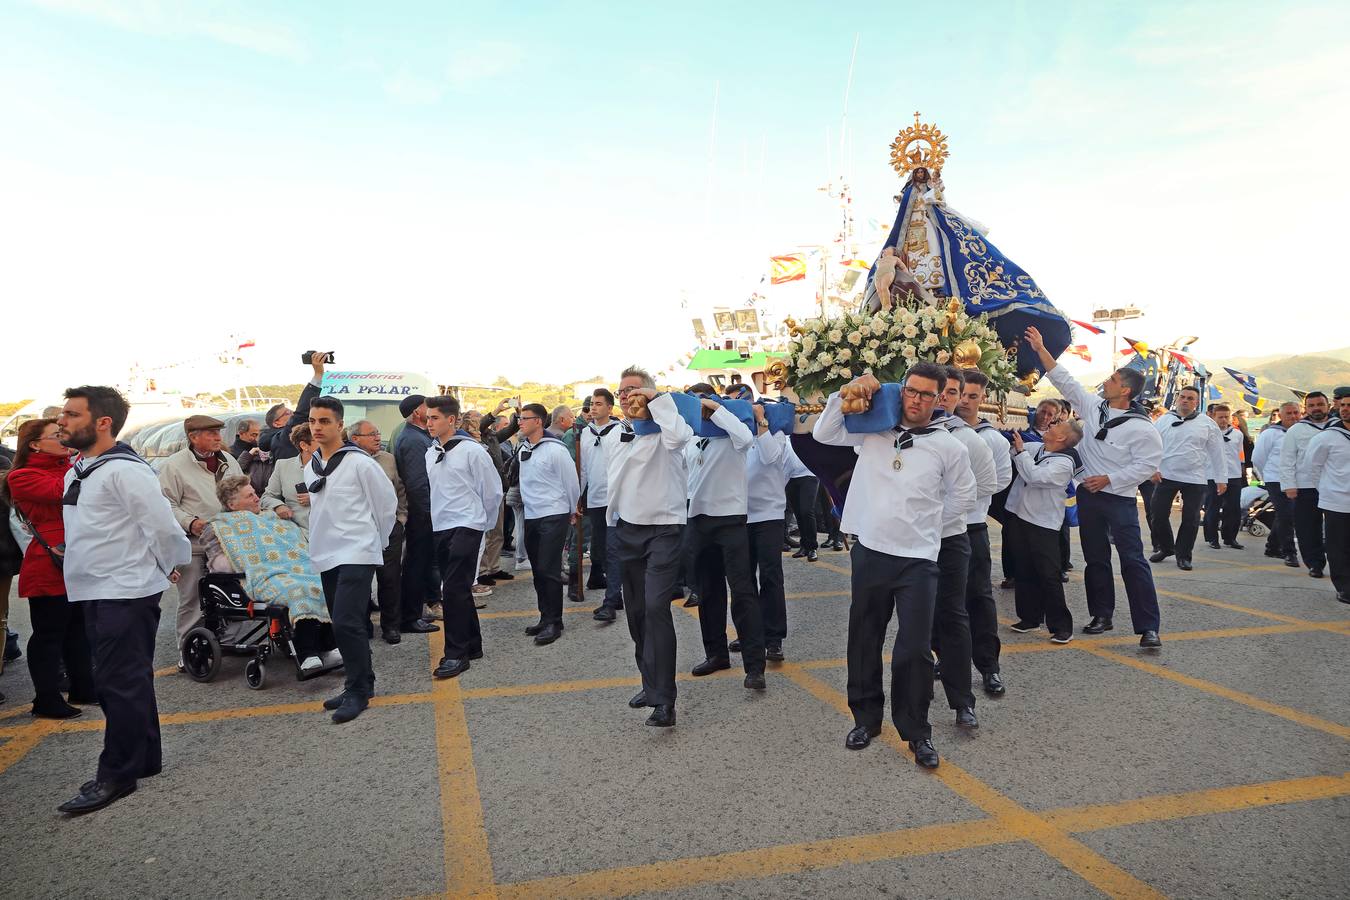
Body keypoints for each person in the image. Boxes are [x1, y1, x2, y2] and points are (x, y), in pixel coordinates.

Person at [814, 365, 976, 769]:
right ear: (901, 391)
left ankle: (917, 731)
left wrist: (927, 528)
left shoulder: (948, 445)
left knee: (915, 649)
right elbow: (823, 433)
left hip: (918, 559)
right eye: (911, 391)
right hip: (870, 551)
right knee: (864, 637)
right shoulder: (872, 431)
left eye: (926, 394)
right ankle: (865, 720)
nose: (916, 400)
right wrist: (846, 391)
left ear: (939, 398)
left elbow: (963, 496)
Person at [55, 385, 191, 815]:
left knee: (118, 682)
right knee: (129, 679)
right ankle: (145, 758)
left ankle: (117, 773)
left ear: (103, 422)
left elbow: (164, 528)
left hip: (125, 590)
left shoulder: (126, 471)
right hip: (95, 587)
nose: (62, 421)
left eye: (72, 415)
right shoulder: (79, 468)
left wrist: (170, 564)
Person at [1025, 326, 1164, 648]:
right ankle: (1101, 614)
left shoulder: (1143, 429)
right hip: (1089, 497)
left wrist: (1110, 479)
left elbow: (1146, 466)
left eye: (1114, 379)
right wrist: (1041, 347)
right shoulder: (1092, 407)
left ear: (1126, 390)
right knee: (1095, 559)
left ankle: (1148, 626)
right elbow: (1064, 379)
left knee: (1133, 560)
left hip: (1119, 500)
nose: (1107, 381)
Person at [610, 366, 696, 727]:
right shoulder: (620, 433)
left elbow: (679, 436)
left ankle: (665, 700)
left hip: (664, 529)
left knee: (656, 606)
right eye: (621, 392)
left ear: (650, 393)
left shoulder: (669, 427)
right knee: (636, 613)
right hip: (627, 529)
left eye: (634, 390)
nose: (627, 396)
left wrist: (658, 401)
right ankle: (651, 683)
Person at [304, 395, 398, 723]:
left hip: (358, 550)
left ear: (340, 425)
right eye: (314, 421)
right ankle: (359, 683)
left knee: (346, 620)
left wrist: (377, 543)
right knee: (345, 622)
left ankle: (358, 691)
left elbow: (385, 505)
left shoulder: (360, 463)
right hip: (327, 552)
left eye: (325, 421)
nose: (317, 427)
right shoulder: (310, 465)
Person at [3, 418, 97, 718]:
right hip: (49, 563)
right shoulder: (23, 475)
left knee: (78, 631)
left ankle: (83, 685)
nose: (64, 438)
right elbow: (64, 490)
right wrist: (84, 457)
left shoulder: (66, 466)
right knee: (49, 634)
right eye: (57, 435)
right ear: (34, 444)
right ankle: (45, 698)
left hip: (76, 555)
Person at [200, 476, 337, 671]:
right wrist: (250, 559)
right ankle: (308, 653)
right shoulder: (218, 526)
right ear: (232, 504)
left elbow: (293, 543)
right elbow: (220, 564)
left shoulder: (270, 516)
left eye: (255, 493)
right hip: (258, 577)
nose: (257, 498)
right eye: (250, 496)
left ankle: (328, 647)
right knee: (297, 590)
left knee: (322, 582)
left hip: (292, 568)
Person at [683, 383, 769, 691]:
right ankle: (716, 653)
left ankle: (755, 666)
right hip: (698, 519)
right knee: (708, 592)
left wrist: (717, 408)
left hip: (731, 519)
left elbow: (746, 437)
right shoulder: (692, 439)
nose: (698, 410)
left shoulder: (732, 433)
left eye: (700, 403)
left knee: (743, 592)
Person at [929, 366, 1001, 729]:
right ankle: (938, 662)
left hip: (966, 529)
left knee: (975, 601)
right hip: (924, 536)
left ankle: (988, 667)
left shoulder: (975, 440)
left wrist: (948, 508)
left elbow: (991, 482)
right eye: (946, 391)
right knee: (929, 608)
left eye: (958, 393)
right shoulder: (911, 432)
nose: (948, 398)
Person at [423, 396, 502, 679]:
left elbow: (492, 492)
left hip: (468, 524)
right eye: (428, 417)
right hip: (442, 526)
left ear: (452, 420)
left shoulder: (473, 451)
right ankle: (473, 644)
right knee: (457, 588)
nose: (429, 422)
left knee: (453, 589)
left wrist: (483, 525)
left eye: (434, 418)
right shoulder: (431, 453)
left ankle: (455, 654)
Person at [157, 414, 244, 662]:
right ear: (193, 438)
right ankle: (188, 651)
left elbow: (242, 493)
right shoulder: (175, 465)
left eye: (218, 432)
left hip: (227, 541)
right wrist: (191, 522)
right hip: (194, 544)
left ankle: (229, 641)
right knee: (193, 599)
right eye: (211, 433)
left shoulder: (228, 460)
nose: (218, 437)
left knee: (232, 592)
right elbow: (166, 504)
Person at [954, 370, 1014, 695]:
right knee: (942, 600)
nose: (965, 401)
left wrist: (959, 493)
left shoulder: (992, 439)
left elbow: (1001, 479)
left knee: (979, 598)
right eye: (961, 394)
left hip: (972, 525)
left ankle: (989, 666)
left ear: (983, 399)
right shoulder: (939, 432)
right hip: (937, 529)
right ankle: (946, 658)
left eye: (972, 396)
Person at [1006, 421, 1085, 641]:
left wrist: (1020, 452)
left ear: (1061, 438)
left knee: (1048, 574)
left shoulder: (1064, 464)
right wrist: (1011, 435)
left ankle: (1061, 626)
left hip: (1043, 523)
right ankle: (1030, 618)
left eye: (1056, 426)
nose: (1050, 426)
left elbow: (1035, 477)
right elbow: (1014, 447)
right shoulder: (1038, 448)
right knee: (1023, 568)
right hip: (1020, 515)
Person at [517, 403, 580, 646]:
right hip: (532, 514)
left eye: (525, 418)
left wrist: (573, 508)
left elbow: (570, 481)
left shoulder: (556, 449)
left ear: (538, 422)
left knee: (548, 569)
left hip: (553, 513)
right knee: (537, 570)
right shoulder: (524, 447)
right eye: (519, 418)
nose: (520, 422)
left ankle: (555, 621)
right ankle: (545, 617)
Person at [1148, 386, 1226, 572]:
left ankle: (1184, 556)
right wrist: (1153, 469)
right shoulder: (1163, 421)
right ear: (1177, 399)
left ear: (1196, 402)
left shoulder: (1207, 423)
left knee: (1190, 519)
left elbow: (1218, 452)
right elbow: (1151, 446)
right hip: (1166, 475)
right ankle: (1167, 548)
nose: (1185, 400)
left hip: (1196, 478)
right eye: (1182, 397)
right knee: (1157, 515)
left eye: (1190, 398)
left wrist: (1221, 478)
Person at [348, 419, 407, 643]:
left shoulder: (388, 459)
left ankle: (391, 626)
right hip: (360, 530)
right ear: (355, 439)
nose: (377, 438)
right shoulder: (346, 461)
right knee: (361, 579)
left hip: (390, 528)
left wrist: (401, 518)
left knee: (390, 578)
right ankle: (363, 625)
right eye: (371, 434)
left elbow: (399, 489)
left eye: (378, 433)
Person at [741, 401, 787, 660]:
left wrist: (762, 421)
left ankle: (773, 638)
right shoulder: (735, 435)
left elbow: (770, 456)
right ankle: (749, 633)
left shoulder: (775, 434)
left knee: (770, 577)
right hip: (740, 514)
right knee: (743, 579)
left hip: (769, 514)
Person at [392, 394, 440, 635]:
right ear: (415, 413)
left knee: (421, 564)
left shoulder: (420, 436)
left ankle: (415, 612)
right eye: (425, 407)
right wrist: (428, 513)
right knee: (415, 564)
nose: (429, 410)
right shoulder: (412, 439)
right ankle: (410, 617)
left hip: (424, 511)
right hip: (421, 513)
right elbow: (417, 482)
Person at [581, 388, 628, 622]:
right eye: (592, 404)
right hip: (595, 499)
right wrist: (578, 497)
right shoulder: (585, 434)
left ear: (610, 408)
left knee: (613, 550)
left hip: (615, 499)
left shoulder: (619, 431)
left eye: (599, 404)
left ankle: (610, 602)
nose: (594, 408)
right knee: (598, 550)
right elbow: (583, 469)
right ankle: (615, 594)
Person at [1281, 392, 1333, 578]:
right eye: (1311, 405)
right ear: (1306, 409)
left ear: (1328, 405)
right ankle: (1315, 563)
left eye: (1320, 404)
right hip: (1305, 486)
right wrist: (1289, 485)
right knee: (1308, 528)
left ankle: (1338, 563)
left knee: (1338, 528)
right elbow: (1287, 459)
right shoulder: (1296, 430)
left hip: (1335, 485)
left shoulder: (1339, 427)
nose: (1316, 408)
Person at [1306, 393, 1350, 602]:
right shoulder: (1327, 437)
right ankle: (1344, 587)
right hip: (1337, 501)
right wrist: (1328, 490)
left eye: (1349, 405)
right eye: (1342, 405)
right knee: (1338, 546)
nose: (1345, 409)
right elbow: (1313, 468)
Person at [1251, 402, 1301, 566]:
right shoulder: (1271, 434)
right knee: (1287, 515)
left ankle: (1272, 547)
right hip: (1275, 480)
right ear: (1281, 415)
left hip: (1297, 480)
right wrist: (1268, 475)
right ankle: (1289, 553)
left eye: (1296, 413)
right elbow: (1258, 457)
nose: (1293, 416)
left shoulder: (1303, 432)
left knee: (1285, 515)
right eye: (1289, 413)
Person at [267, 353, 328, 460]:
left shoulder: (278, 438)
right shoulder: (284, 436)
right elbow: (301, 413)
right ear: (277, 423)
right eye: (287, 413)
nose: (292, 413)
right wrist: (318, 375)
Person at [260, 422, 315, 537]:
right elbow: (267, 497)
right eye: (320, 440)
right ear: (304, 446)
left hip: (329, 534)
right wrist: (279, 506)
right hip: (296, 534)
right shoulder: (283, 466)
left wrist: (315, 498)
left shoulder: (337, 466)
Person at [1203, 404, 1245, 550]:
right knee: (1212, 507)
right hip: (1212, 474)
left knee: (1233, 508)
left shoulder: (1237, 434)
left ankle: (1230, 537)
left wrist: (1242, 472)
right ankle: (1212, 538)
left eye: (1226, 417)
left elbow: (1239, 454)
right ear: (1213, 417)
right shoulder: (1208, 433)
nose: (1223, 420)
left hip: (1233, 474)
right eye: (1220, 417)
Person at [783, 439, 819, 561]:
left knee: (806, 510)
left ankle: (812, 547)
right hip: (791, 477)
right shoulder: (786, 433)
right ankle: (804, 546)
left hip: (809, 474)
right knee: (798, 513)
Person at [231, 417, 272, 498]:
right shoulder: (230, 452)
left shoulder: (263, 448)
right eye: (253, 435)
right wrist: (248, 455)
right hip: (245, 496)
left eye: (259, 435)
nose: (257, 439)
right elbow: (233, 474)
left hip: (266, 495)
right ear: (241, 433)